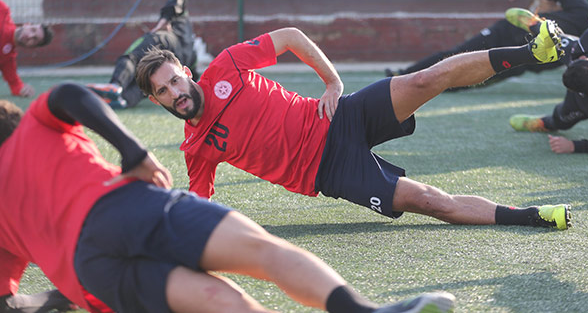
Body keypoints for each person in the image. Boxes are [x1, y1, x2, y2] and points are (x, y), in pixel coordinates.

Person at [0, 83, 456, 313]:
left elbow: (8, 302)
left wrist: (61, 295)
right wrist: (134, 152)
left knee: (224, 305)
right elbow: (68, 94)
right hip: (121, 209)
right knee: (266, 254)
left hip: (90, 273)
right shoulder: (30, 131)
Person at [136, 19, 573, 230]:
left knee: (427, 78)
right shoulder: (197, 149)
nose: (175, 92)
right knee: (429, 202)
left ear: (186, 72)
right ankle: (534, 216)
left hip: (336, 116)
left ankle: (534, 51)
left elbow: (288, 36)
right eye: (163, 91)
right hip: (331, 172)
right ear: (157, 101)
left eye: (175, 80)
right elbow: (202, 207)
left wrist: (332, 81)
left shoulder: (228, 66)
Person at [385, 0, 588, 86]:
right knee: (459, 54)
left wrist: (531, 64)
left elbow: (559, 62)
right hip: (509, 33)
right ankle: (404, 75)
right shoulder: (587, 17)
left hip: (525, 57)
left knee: (477, 78)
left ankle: (434, 85)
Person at [509, 8, 588, 154]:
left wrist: (574, 146)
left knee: (561, 119)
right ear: (581, 59)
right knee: (555, 39)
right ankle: (535, 24)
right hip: (579, 49)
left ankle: (545, 123)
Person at [87, 0, 199, 109]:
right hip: (182, 59)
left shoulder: (181, 17)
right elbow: (193, 79)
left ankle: (116, 85)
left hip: (167, 39)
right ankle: (123, 100)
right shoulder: (193, 51)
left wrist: (164, 20)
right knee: (146, 83)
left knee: (133, 58)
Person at [0, 0, 54, 98]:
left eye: (34, 39)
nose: (30, 36)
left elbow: (15, 85)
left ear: (32, 47)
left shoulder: (8, 60)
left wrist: (23, 90)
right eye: (32, 30)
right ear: (27, 24)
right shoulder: (3, 11)